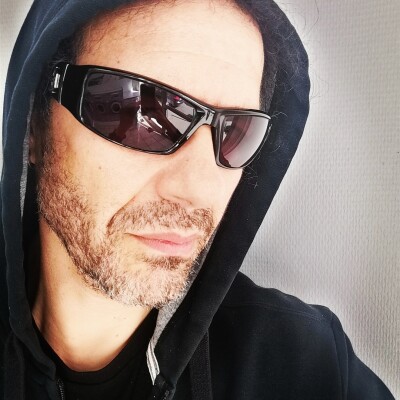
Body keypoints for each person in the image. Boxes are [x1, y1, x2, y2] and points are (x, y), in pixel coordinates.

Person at [0, 0, 395, 399]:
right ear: (35, 123)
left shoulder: (309, 365)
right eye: (140, 114)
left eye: (237, 131)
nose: (197, 191)